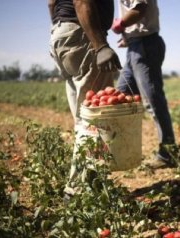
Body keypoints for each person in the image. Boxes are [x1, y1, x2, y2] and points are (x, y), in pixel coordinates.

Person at [47, 0, 121, 195]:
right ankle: (79, 191)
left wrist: (61, 29)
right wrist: (101, 46)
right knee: (95, 120)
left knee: (83, 120)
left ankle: (87, 186)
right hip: (82, 34)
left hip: (62, 34)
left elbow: (51, 3)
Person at [111, 0, 177, 168]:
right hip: (135, 46)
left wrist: (121, 24)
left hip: (145, 45)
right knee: (121, 96)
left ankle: (168, 153)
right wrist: (128, 37)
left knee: (152, 101)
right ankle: (121, 151)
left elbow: (140, 8)